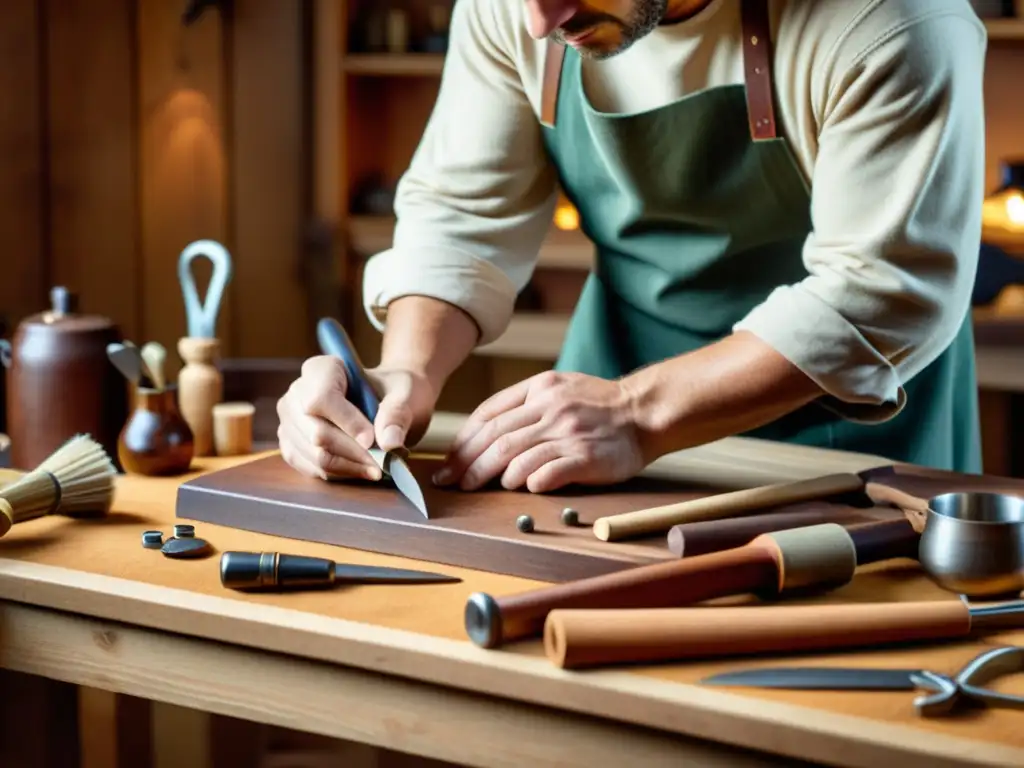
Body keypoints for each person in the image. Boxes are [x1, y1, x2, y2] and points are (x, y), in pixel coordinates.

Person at [277, 0, 987, 493]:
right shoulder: (530, 13)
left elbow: (874, 293)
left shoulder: (891, 20)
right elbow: (462, 215)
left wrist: (640, 412)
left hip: (848, 445)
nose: (538, 21)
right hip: (598, 422)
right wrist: (405, 374)